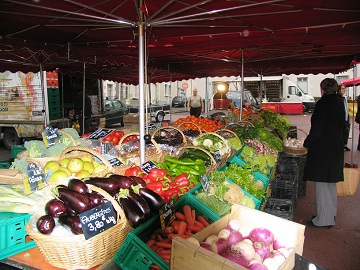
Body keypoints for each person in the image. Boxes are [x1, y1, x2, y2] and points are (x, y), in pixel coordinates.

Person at [303, 78, 345, 228]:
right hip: (336, 147)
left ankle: (323, 219)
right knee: (330, 184)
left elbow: (317, 130)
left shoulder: (323, 103)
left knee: (322, 184)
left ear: (322, 89)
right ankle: (329, 214)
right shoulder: (340, 102)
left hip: (324, 148)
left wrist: (306, 143)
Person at [338, 84, 350, 151]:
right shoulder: (339, 98)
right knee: (342, 131)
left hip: (346, 116)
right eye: (342, 88)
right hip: (341, 117)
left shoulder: (345, 97)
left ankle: (345, 144)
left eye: (344, 88)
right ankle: (341, 144)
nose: (344, 90)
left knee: (346, 131)